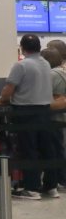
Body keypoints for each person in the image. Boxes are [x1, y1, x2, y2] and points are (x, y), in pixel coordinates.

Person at [0, 34, 59, 199]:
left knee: (28, 149)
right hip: (45, 110)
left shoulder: (21, 65)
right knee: (47, 148)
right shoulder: (46, 64)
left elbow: (8, 89)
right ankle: (51, 186)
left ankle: (31, 188)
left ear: (22, 48)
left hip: (25, 112)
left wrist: (1, 101)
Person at [40, 47, 66, 189]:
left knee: (52, 150)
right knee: (60, 149)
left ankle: (55, 181)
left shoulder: (50, 75)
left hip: (52, 116)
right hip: (62, 115)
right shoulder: (62, 73)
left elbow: (43, 95)